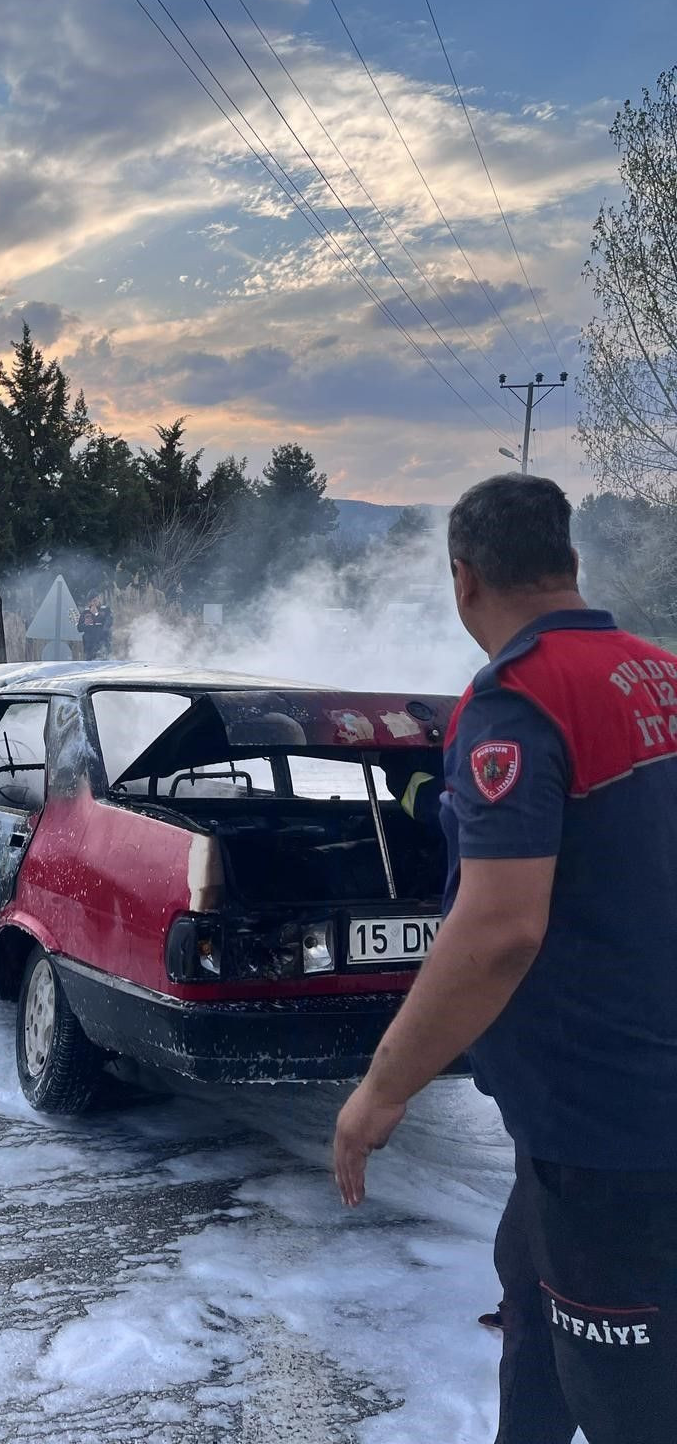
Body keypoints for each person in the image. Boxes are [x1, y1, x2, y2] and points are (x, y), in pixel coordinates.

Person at [333, 473, 677, 1444]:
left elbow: (497, 932)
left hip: (609, 1123)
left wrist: (380, 1092)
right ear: (570, 562)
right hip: (596, 1117)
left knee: (628, 1400)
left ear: (463, 579)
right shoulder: (658, 673)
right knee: (530, 1305)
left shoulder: (519, 701)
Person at [78, 592, 113, 660]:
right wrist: (85, 624)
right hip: (89, 645)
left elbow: (109, 623)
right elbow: (79, 628)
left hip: (103, 642)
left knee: (104, 662)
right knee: (89, 664)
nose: (93, 603)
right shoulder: (85, 612)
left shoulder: (106, 610)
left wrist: (97, 614)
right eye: (91, 601)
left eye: (95, 600)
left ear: (98, 599)